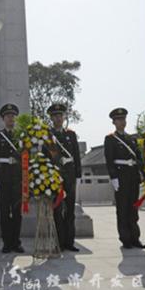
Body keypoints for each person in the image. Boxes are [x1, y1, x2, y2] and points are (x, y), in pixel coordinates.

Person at [104, 107, 145, 249]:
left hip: (133, 177)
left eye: (123, 119)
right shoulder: (110, 139)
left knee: (133, 208)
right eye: (119, 119)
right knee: (122, 209)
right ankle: (125, 239)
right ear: (114, 122)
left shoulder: (132, 139)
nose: (122, 122)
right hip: (120, 177)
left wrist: (142, 171)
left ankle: (135, 238)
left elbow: (139, 157)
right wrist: (113, 178)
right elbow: (109, 160)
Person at [0, 103, 25, 254]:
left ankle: (16, 242)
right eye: (8, 116)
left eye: (13, 116)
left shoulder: (22, 136)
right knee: (4, 212)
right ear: (3, 119)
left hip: (17, 177)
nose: (11, 118)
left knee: (17, 212)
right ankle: (6, 242)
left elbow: (25, 157)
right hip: (3, 177)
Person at [48, 103, 82, 252]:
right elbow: (45, 155)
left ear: (64, 117)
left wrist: (78, 175)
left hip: (69, 174)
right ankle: (59, 242)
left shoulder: (71, 134)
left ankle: (70, 241)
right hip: (55, 175)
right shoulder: (47, 135)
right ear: (51, 118)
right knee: (57, 209)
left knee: (70, 210)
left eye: (60, 115)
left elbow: (76, 155)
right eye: (55, 116)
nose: (58, 118)